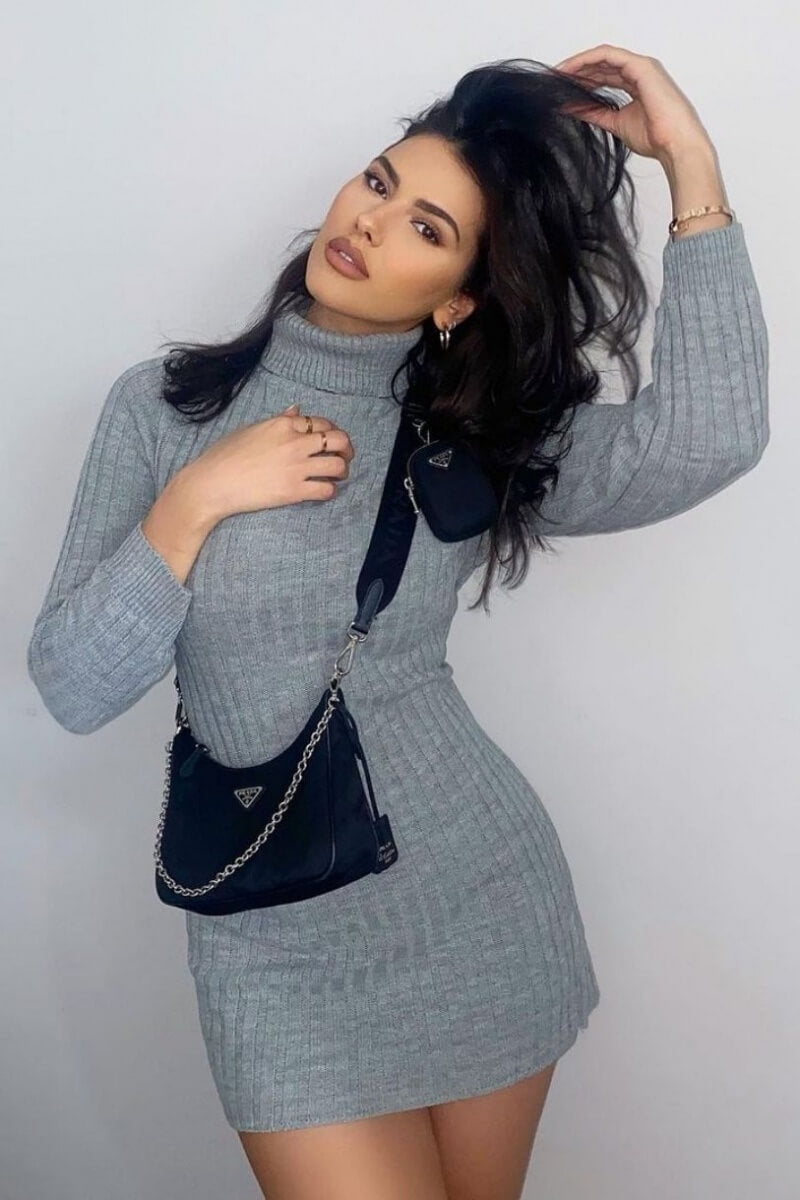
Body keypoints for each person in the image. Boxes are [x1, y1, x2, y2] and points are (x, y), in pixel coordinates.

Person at [27, 46, 769, 1200]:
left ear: (458, 296)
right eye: (379, 183)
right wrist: (194, 503)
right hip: (266, 934)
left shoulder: (473, 432)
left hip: (473, 903)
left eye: (427, 228)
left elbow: (708, 439)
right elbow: (73, 686)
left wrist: (690, 165)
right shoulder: (165, 409)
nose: (371, 224)